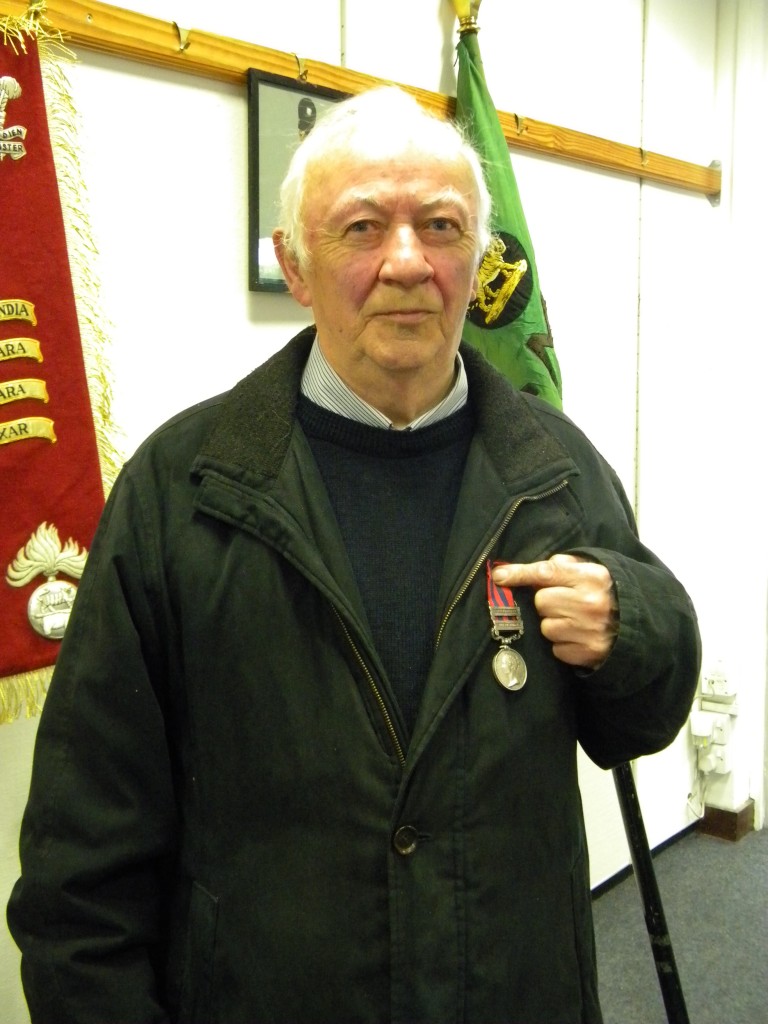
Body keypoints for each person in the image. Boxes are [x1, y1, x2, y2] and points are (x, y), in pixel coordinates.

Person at [8, 86, 700, 1024]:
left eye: (442, 226)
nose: (407, 262)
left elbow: (643, 720)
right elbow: (82, 862)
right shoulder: (183, 491)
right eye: (363, 227)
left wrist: (631, 623)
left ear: (478, 258)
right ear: (296, 265)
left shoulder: (555, 469)